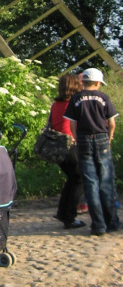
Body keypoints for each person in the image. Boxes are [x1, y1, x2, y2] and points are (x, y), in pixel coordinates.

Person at [64, 68, 119, 236]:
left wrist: (76, 137)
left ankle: (98, 225)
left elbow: (72, 123)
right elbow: (112, 123)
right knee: (106, 181)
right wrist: (109, 138)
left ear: (84, 82)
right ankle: (112, 222)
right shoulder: (103, 98)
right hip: (101, 138)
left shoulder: (76, 98)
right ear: (97, 83)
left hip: (83, 139)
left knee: (90, 182)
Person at [49, 74, 85, 230]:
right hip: (69, 145)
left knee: (72, 178)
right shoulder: (74, 103)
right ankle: (69, 217)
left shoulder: (56, 104)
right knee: (79, 179)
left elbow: (50, 124)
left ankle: (63, 213)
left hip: (57, 146)